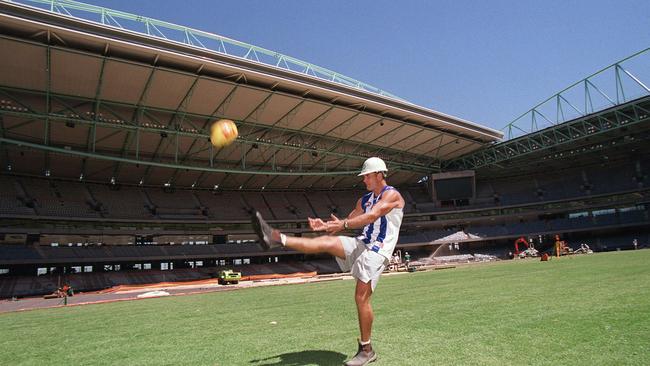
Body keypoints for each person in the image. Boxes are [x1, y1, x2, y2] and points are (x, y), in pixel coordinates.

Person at [252, 157, 404, 366]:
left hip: (378, 250)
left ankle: (367, 350)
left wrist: (344, 223)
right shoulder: (365, 199)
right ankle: (277, 238)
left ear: (379, 175)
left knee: (361, 298)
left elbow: (371, 216)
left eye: (367, 176)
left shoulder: (392, 195)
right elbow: (348, 221)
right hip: (362, 243)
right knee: (326, 241)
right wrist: (325, 226)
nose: (364, 180)